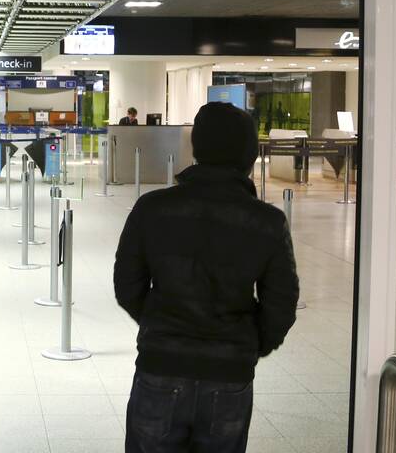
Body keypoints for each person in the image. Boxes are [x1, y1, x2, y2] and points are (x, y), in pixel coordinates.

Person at [114, 101, 299, 453]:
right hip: (229, 374)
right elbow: (282, 302)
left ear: (197, 148)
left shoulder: (153, 208)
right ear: (249, 155)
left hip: (160, 365)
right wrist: (248, 344)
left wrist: (158, 323)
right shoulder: (267, 221)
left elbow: (127, 284)